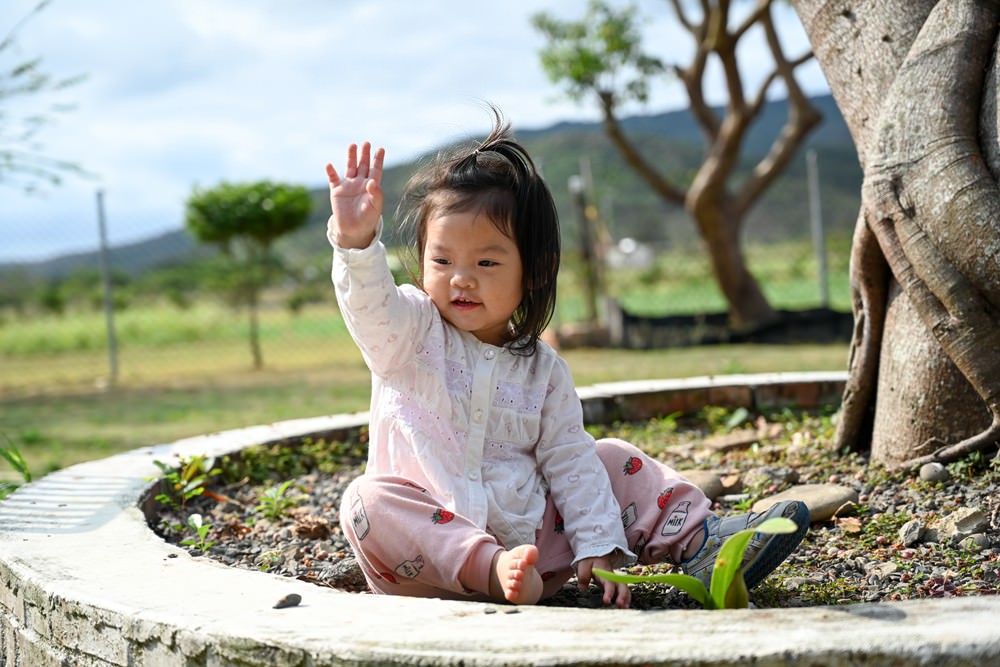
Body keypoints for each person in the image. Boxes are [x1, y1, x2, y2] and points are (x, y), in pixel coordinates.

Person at [325, 110, 809, 608]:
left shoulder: (543, 371)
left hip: (537, 551)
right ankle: (489, 569)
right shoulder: (409, 332)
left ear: (534, 271)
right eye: (442, 260)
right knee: (367, 500)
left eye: (486, 262)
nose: (461, 278)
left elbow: (568, 461)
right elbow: (370, 308)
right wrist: (358, 244)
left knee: (609, 457)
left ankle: (704, 543)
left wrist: (598, 543)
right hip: (426, 561)